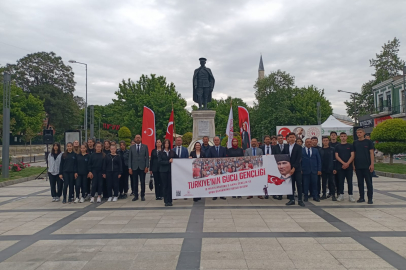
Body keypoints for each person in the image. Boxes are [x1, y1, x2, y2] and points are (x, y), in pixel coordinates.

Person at [353, 128, 374, 204]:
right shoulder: (355, 143)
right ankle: (361, 197)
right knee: (360, 183)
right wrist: (353, 165)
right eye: (357, 132)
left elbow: (371, 153)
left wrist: (372, 164)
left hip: (367, 166)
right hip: (358, 166)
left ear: (364, 133)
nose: (359, 134)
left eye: (360, 132)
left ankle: (370, 198)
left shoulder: (368, 142)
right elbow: (354, 154)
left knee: (369, 183)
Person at [284, 132, 305, 207]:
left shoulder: (298, 147)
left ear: (295, 138)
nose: (291, 138)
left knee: (299, 184)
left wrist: (294, 168)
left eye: (293, 137)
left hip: (297, 169)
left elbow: (299, 158)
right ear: (288, 138)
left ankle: (300, 200)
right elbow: (283, 156)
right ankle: (292, 199)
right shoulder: (286, 147)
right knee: (291, 185)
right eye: (290, 137)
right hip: (288, 169)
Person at [128, 135, 149, 202]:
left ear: (141, 139)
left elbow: (147, 158)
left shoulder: (145, 146)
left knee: (142, 182)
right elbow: (130, 158)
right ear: (134, 139)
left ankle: (142, 195)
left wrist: (146, 166)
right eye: (136, 138)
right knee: (135, 182)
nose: (137, 139)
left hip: (142, 167)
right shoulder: (131, 147)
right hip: (134, 167)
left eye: (139, 138)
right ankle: (136, 195)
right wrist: (130, 168)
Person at [335, 132, 355, 202]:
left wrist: (347, 164)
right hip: (340, 167)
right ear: (339, 137)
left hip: (349, 167)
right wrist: (343, 163)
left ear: (347, 137)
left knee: (350, 181)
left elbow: (352, 155)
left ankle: (350, 195)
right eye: (342, 136)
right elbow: (337, 156)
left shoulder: (350, 146)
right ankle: (341, 195)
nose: (343, 137)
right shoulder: (337, 146)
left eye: (344, 136)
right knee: (341, 181)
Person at [159, 139, 178, 206]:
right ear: (163, 144)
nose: (167, 144)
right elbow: (160, 161)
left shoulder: (172, 152)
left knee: (170, 186)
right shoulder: (160, 152)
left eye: (168, 143)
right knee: (165, 186)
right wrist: (168, 162)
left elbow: (177, 159)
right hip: (163, 171)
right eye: (165, 143)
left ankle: (170, 200)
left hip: (170, 171)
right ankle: (166, 201)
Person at [319, 137, 337, 201]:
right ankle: (324, 194)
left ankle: (333, 195)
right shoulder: (320, 150)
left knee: (331, 182)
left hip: (331, 168)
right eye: (324, 140)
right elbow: (319, 160)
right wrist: (319, 169)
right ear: (322, 141)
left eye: (326, 140)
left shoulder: (332, 149)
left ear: (328, 141)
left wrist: (335, 168)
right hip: (323, 169)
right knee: (323, 182)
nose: (325, 142)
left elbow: (335, 159)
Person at [329, 131, 340, 197]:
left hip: (337, 163)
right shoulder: (328, 144)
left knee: (337, 179)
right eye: (332, 135)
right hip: (330, 164)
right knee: (330, 180)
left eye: (334, 135)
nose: (333, 136)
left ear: (336, 136)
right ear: (330, 136)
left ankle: (338, 192)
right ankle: (331, 192)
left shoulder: (339, 144)